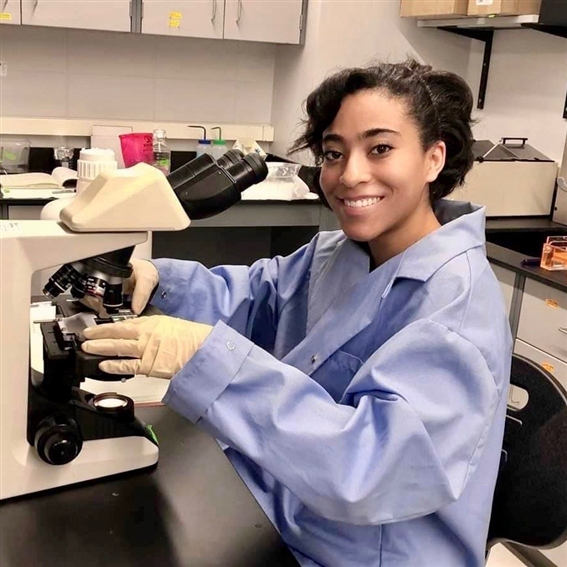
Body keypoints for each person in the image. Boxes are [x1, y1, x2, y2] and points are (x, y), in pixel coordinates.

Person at [82, 59, 512, 567]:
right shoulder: (340, 251)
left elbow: (368, 470)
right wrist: (155, 282)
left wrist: (204, 357)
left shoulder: (457, 312)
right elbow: (257, 297)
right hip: (285, 512)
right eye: (334, 153)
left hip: (370, 554)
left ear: (433, 158)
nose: (350, 175)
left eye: (380, 148)